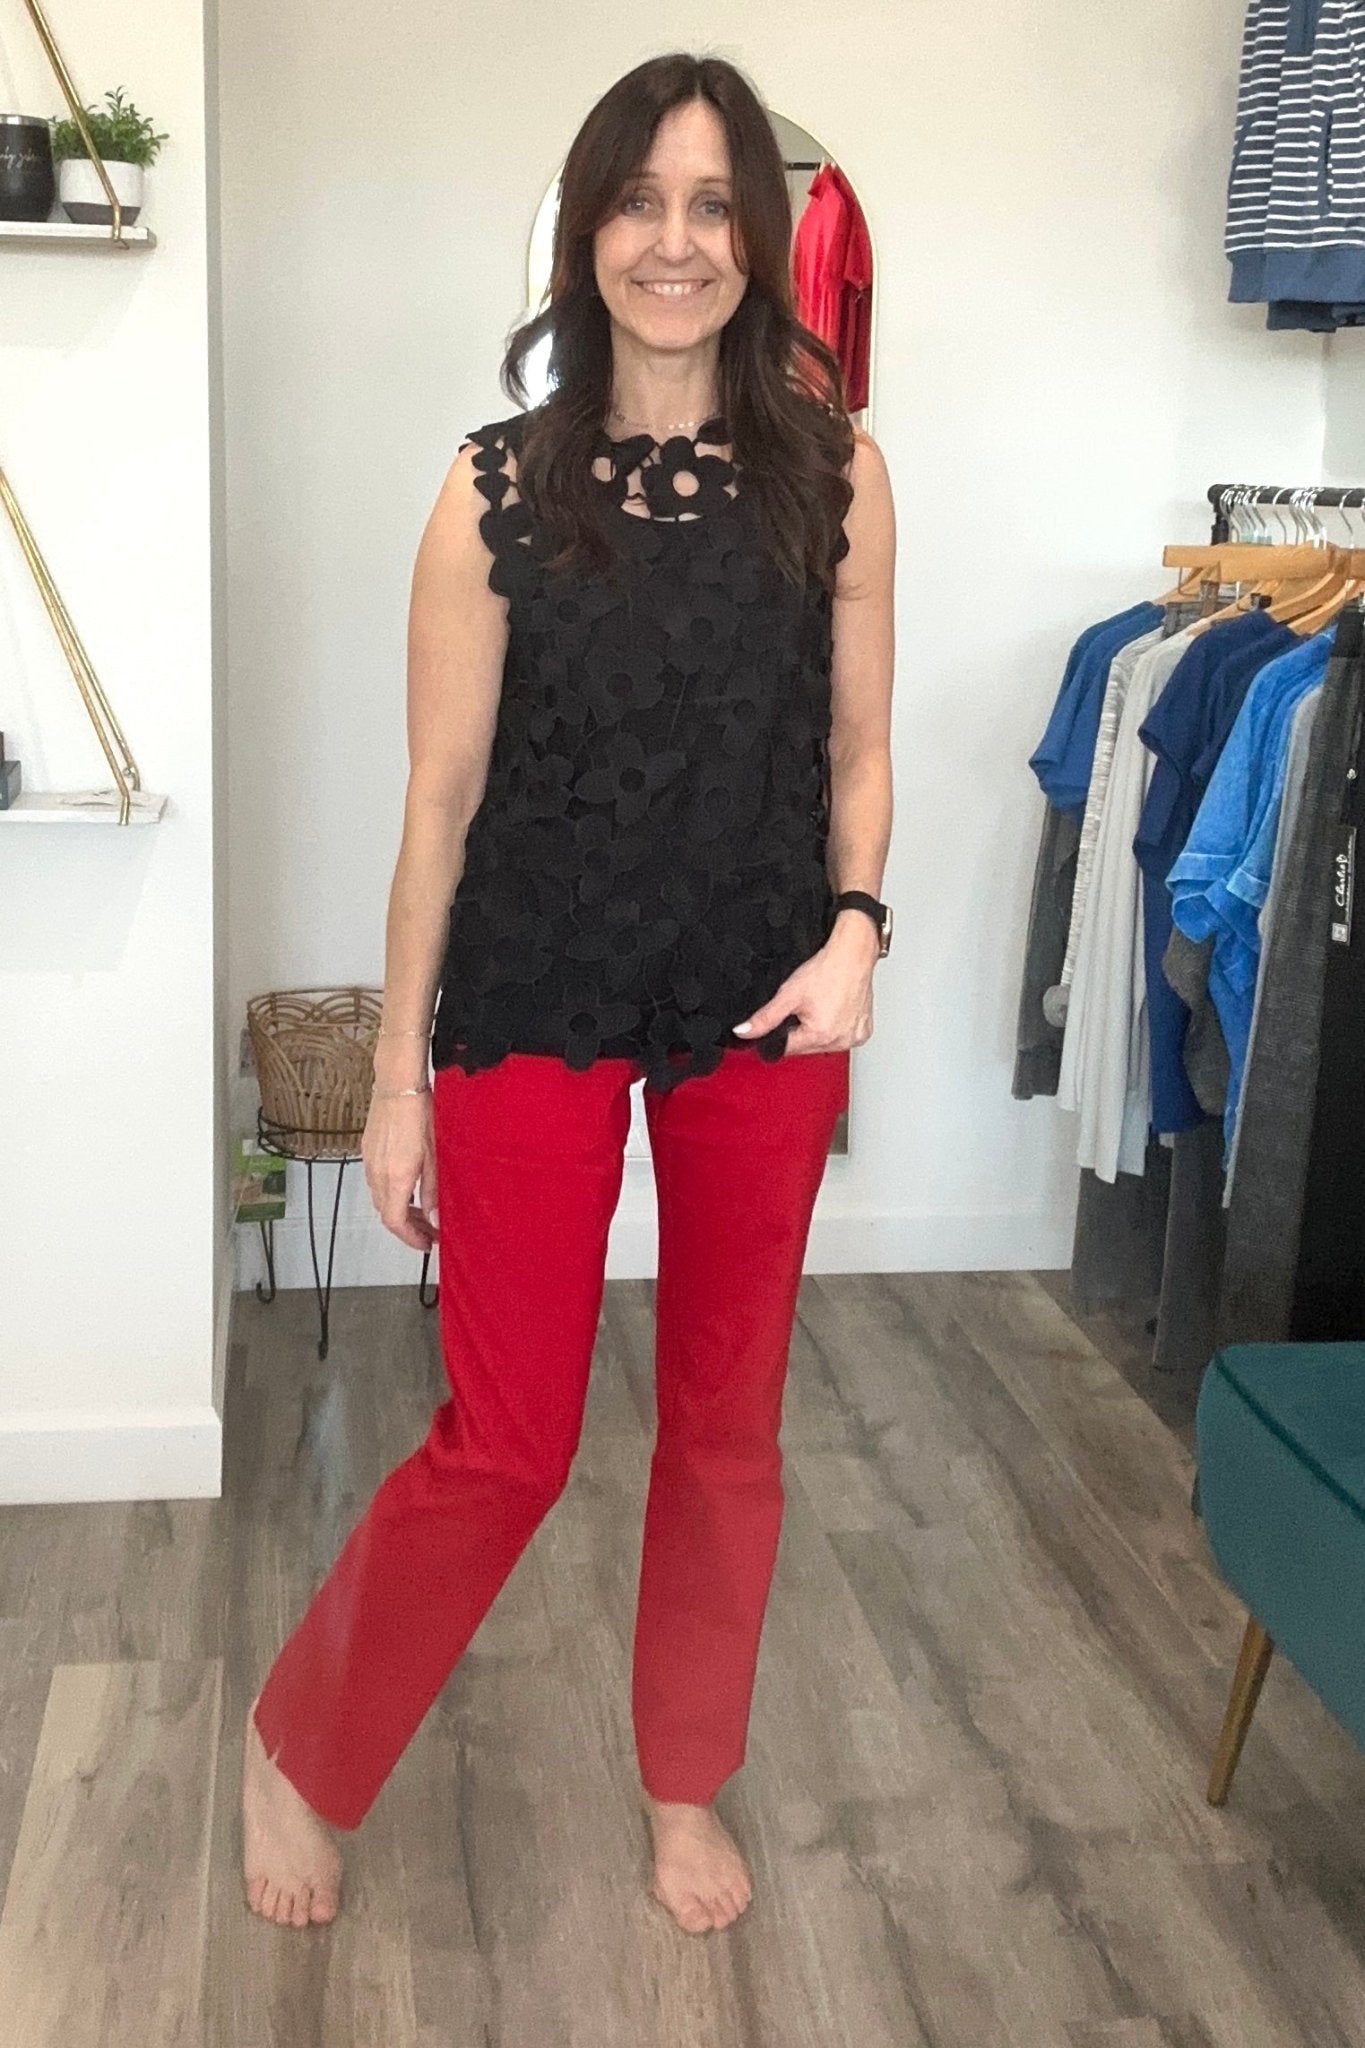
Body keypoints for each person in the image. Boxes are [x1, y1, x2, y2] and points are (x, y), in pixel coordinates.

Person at [241, 49, 896, 1939]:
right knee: (506, 1437)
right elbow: (438, 802)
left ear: (756, 239)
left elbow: (856, 748)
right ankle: (300, 1742)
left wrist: (858, 928)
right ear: (583, 232)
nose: (673, 243)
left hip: (760, 995)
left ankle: (685, 1785)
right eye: (636, 202)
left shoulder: (839, 475)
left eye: (710, 206)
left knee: (727, 1429)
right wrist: (394, 1080)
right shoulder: (490, 492)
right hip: (531, 986)